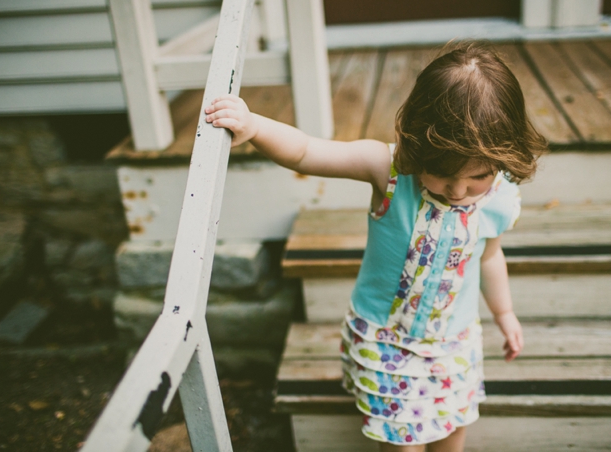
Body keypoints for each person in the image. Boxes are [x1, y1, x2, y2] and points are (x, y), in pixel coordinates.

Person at [205, 41, 548, 452]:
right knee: (402, 444)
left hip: (454, 343)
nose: (458, 190)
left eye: (476, 176)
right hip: (387, 342)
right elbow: (307, 151)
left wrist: (504, 313)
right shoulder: (388, 170)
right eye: (440, 174)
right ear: (418, 145)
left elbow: (489, 257)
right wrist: (254, 126)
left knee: (453, 431)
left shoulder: (500, 196)